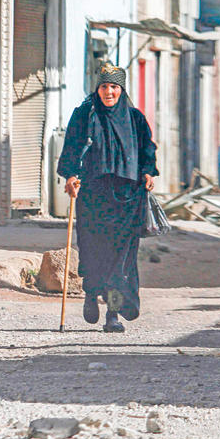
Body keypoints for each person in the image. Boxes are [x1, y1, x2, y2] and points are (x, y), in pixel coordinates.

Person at [56, 63, 158, 333]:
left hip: (127, 197)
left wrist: (148, 172)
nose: (108, 92)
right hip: (93, 195)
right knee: (93, 250)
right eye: (104, 86)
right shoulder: (84, 115)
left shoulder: (135, 119)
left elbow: (147, 149)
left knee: (120, 260)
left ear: (121, 90)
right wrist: (70, 176)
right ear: (97, 88)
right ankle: (91, 295)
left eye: (114, 87)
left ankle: (112, 314)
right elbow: (71, 148)